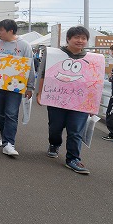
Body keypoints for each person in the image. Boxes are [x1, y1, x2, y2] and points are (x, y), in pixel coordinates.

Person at [36, 26, 93, 174]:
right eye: (77, 37)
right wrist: (40, 93)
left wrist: (93, 104)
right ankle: (54, 143)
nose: (80, 41)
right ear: (68, 39)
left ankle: (73, 158)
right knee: (55, 127)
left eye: (83, 38)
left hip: (79, 102)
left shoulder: (92, 59)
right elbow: (43, 74)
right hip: (57, 98)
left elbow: (95, 84)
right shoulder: (55, 54)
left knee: (75, 130)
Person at [0, 19, 35, 157]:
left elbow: (30, 67)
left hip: (16, 87)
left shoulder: (24, 46)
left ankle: (9, 143)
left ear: (11, 31)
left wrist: (30, 86)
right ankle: (5, 137)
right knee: (0, 114)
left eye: (1, 30)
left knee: (11, 113)